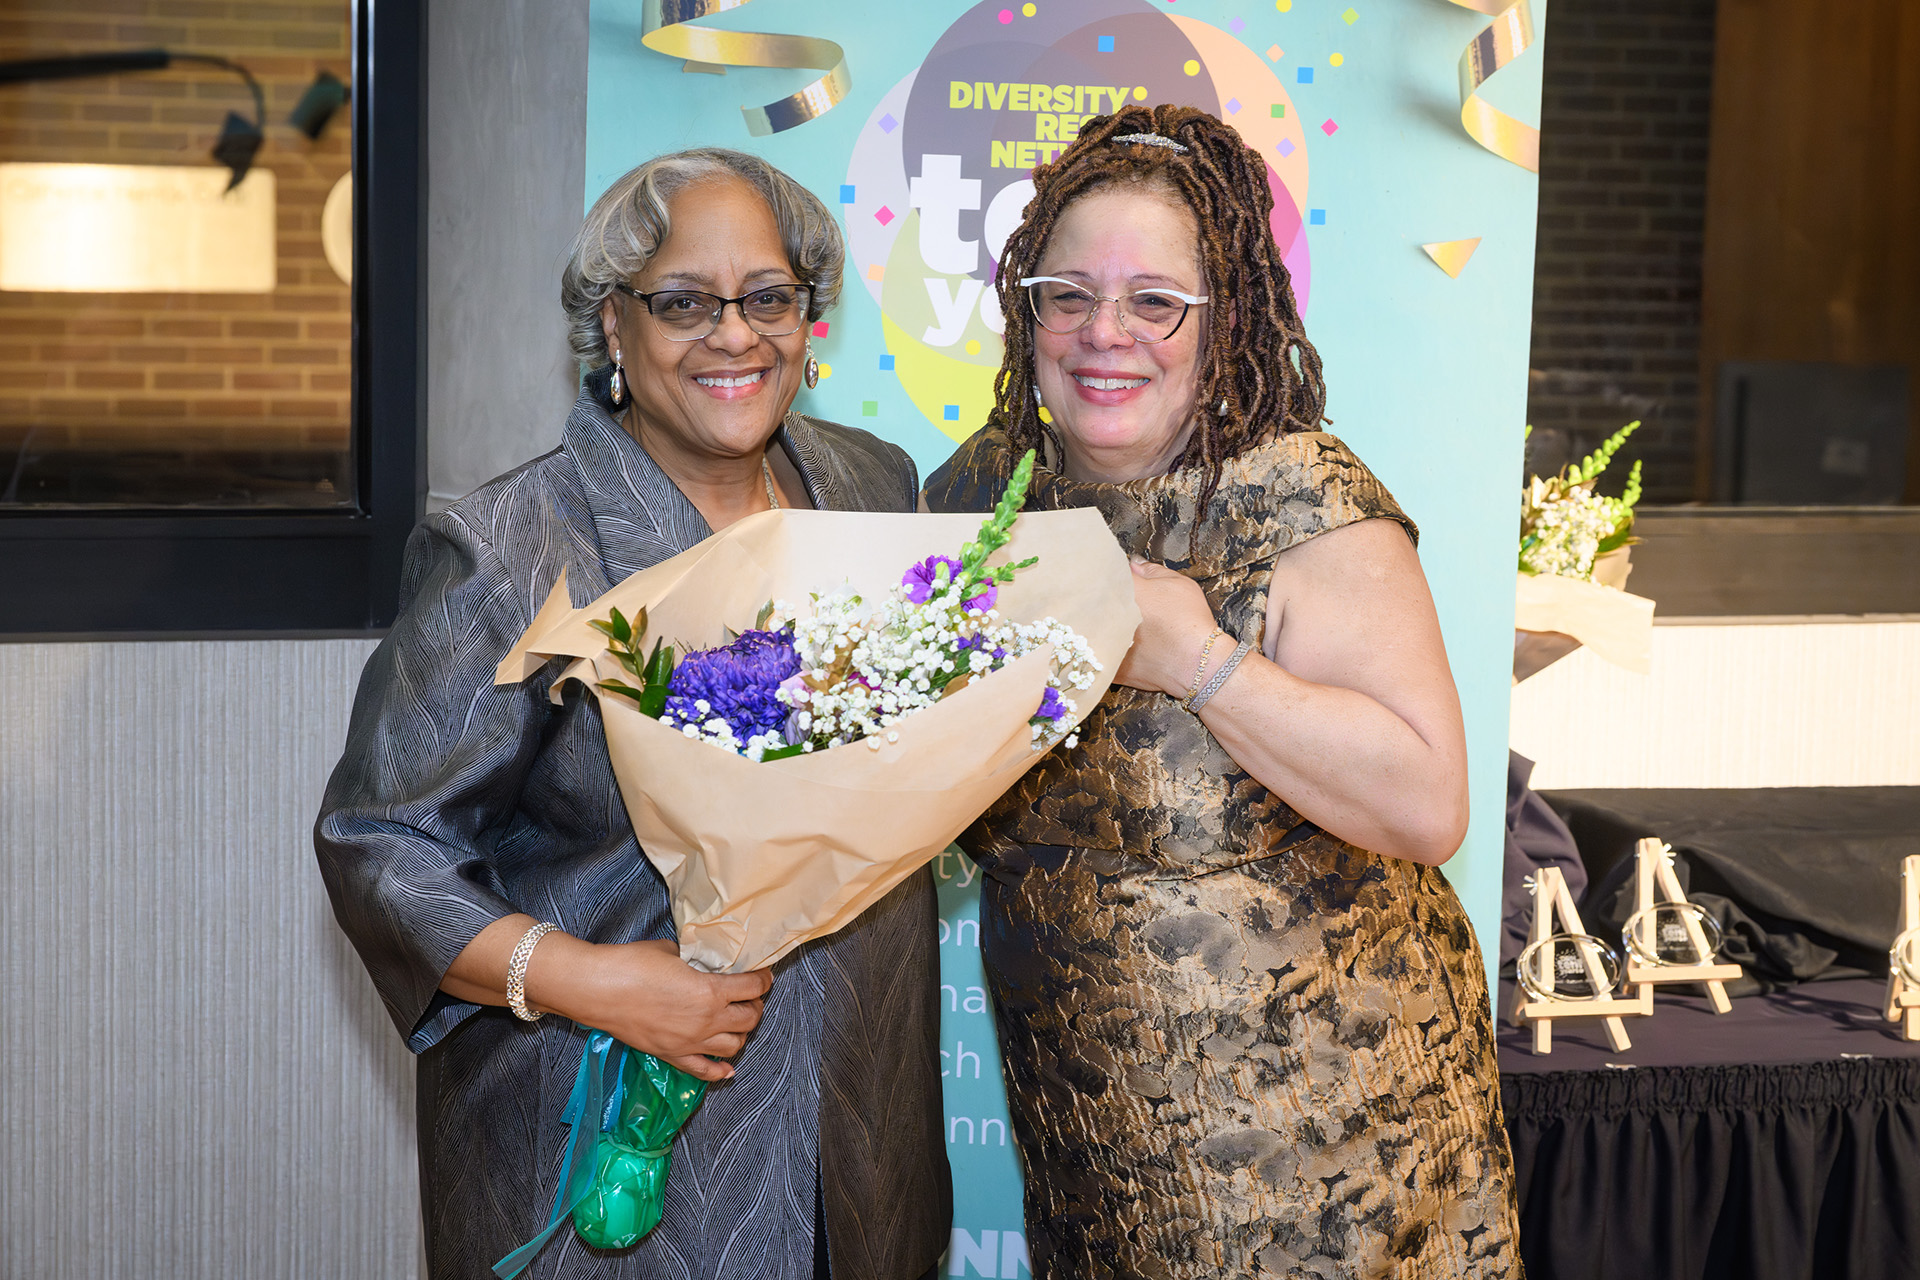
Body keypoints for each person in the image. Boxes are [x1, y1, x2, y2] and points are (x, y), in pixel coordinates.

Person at [316, 149, 949, 1280]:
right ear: (614, 324)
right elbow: (381, 847)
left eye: (767, 298)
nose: (734, 335)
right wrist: (600, 982)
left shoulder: (873, 487)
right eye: (684, 303)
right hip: (601, 1126)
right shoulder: (512, 547)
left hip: (861, 1134)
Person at [923, 106, 1522, 1278]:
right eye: (1068, 295)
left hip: (1327, 1161)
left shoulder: (1300, 503)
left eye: (1155, 301)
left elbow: (1426, 803)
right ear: (1026, 311)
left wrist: (1199, 660)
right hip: (1094, 1140)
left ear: (1224, 318)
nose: (1105, 333)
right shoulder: (983, 497)